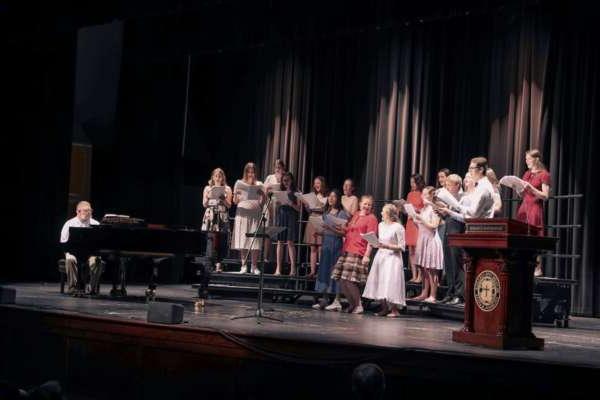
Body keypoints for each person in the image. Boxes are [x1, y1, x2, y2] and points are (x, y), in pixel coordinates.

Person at [331, 195, 378, 314]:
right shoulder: (356, 214)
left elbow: (371, 239)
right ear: (360, 204)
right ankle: (352, 304)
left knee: (350, 280)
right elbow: (347, 231)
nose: (366, 206)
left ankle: (358, 304)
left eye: (369, 204)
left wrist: (367, 255)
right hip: (347, 249)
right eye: (365, 203)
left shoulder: (372, 218)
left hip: (358, 251)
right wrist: (333, 227)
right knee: (342, 280)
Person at [362, 204, 406, 317]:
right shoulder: (381, 225)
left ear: (389, 214)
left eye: (383, 211)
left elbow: (402, 247)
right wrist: (374, 242)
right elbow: (379, 241)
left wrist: (386, 246)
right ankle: (384, 307)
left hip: (393, 258)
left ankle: (394, 310)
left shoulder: (398, 227)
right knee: (380, 280)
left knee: (391, 282)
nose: (381, 213)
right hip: (381, 256)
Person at [312, 189, 349, 310]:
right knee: (324, 271)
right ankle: (325, 299)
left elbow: (344, 233)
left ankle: (337, 300)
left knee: (335, 272)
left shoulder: (341, 213)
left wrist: (330, 228)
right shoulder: (326, 212)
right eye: (330, 196)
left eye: (334, 196)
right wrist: (319, 232)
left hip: (336, 245)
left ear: (338, 199)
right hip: (326, 245)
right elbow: (325, 229)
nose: (331, 198)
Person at [516, 149, 551, 276]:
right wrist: (518, 189)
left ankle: (537, 267)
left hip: (535, 207)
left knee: (535, 236)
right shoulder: (526, 174)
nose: (526, 162)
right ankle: (523, 264)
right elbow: (522, 194)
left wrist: (532, 188)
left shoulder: (544, 174)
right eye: (526, 159)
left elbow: (545, 196)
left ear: (536, 159)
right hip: (524, 207)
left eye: (528, 159)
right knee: (521, 234)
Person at [59, 201, 103, 295]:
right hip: (73, 253)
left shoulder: (96, 224)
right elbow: (63, 243)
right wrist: (67, 254)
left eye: (90, 210)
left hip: (90, 254)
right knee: (70, 259)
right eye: (86, 211)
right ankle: (72, 288)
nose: (89, 213)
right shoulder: (69, 224)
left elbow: (101, 243)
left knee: (97, 261)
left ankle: (91, 288)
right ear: (78, 211)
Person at [410, 187, 444, 303]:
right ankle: (424, 293)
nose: (422, 197)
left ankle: (433, 295)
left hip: (431, 240)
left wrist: (421, 219)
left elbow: (434, 226)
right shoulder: (424, 209)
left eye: (425, 194)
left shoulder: (434, 208)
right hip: (423, 239)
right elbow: (421, 226)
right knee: (423, 268)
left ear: (431, 196)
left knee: (431, 269)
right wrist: (415, 219)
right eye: (422, 194)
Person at [232, 162, 266, 274]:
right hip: (242, 213)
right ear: (245, 172)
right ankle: (244, 265)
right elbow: (235, 201)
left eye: (253, 172)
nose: (251, 174)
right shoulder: (239, 183)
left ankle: (254, 266)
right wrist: (236, 194)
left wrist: (263, 195)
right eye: (249, 172)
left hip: (255, 213)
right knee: (243, 239)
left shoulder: (260, 184)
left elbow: (262, 203)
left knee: (255, 240)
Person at [437, 174, 466, 305]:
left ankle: (459, 294)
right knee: (448, 263)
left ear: (458, 185)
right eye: (446, 185)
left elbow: (464, 215)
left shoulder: (462, 197)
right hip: (449, 229)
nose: (447, 188)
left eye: (449, 185)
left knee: (456, 263)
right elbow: (448, 215)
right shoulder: (451, 198)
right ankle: (450, 292)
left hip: (457, 231)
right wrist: (441, 211)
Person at [201, 168, 233, 273]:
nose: (218, 178)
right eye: (216, 176)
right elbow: (204, 204)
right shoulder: (207, 188)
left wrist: (223, 199)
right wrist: (209, 196)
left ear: (223, 177)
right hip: (211, 215)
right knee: (210, 240)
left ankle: (219, 264)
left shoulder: (227, 189)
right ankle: (208, 266)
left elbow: (229, 205)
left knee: (222, 241)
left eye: (220, 176)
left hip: (222, 215)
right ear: (213, 177)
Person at [274, 172, 301, 276]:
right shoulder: (280, 191)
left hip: (291, 217)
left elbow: (299, 208)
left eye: (287, 180)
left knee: (290, 242)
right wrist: (277, 202)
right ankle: (278, 268)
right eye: (284, 180)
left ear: (291, 180)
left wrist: (290, 203)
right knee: (280, 242)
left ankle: (293, 269)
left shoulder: (296, 191)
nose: (285, 182)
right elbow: (276, 204)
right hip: (282, 216)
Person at [302, 176, 328, 277]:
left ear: (322, 184)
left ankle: (321, 271)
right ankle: (312, 271)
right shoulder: (312, 196)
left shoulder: (326, 196)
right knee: (312, 248)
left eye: (318, 183)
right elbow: (309, 211)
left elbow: (326, 210)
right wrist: (307, 207)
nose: (316, 185)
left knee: (321, 247)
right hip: (312, 220)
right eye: (315, 183)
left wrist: (319, 207)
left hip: (321, 220)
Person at [263, 159, 286, 262]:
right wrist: (267, 190)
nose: (277, 169)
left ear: (283, 168)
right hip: (270, 204)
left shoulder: (285, 177)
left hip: (280, 205)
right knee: (268, 231)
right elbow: (263, 190)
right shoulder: (269, 177)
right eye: (276, 167)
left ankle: (279, 260)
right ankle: (265, 257)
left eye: (279, 167)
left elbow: (289, 190)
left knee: (279, 232)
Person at [405, 174, 425, 283]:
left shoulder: (423, 194)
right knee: (411, 250)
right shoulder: (409, 194)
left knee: (418, 250)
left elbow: (426, 209)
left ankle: (420, 276)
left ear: (419, 182)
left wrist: (416, 210)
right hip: (410, 222)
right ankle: (414, 274)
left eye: (413, 182)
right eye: (411, 182)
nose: (412, 184)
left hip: (418, 223)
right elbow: (408, 208)